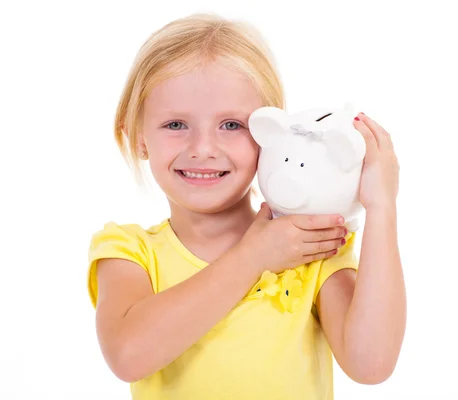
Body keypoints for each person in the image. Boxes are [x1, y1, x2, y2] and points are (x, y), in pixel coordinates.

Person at [87, 12, 406, 400]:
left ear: (271, 134)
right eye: (175, 125)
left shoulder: (310, 250)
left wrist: (382, 207)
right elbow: (128, 355)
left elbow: (371, 364)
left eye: (231, 125)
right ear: (137, 137)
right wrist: (253, 257)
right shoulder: (126, 251)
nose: (202, 149)